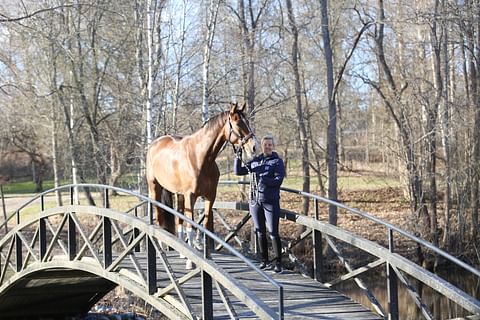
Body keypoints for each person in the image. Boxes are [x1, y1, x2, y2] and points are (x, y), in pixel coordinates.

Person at [234, 135, 285, 273]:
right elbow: (238, 171)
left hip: (270, 202)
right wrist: (237, 156)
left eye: (270, 144)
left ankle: (278, 263)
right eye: (265, 144)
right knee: (260, 232)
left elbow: (278, 180)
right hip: (255, 202)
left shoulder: (277, 162)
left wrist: (264, 179)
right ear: (262, 146)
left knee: (273, 232)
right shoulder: (256, 160)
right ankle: (264, 260)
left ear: (273, 146)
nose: (267, 147)